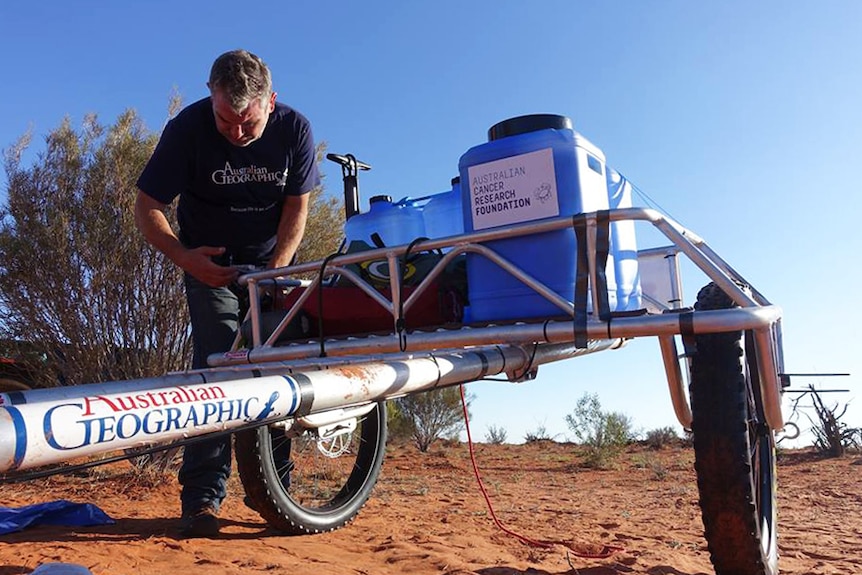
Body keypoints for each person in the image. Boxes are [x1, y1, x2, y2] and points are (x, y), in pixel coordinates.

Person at [134, 49, 320, 538]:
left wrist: (275, 273)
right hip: (209, 268)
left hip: (270, 268)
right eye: (225, 120)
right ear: (210, 97)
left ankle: (275, 494)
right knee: (217, 368)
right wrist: (186, 257)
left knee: (276, 371)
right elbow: (147, 206)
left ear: (271, 102)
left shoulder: (295, 130)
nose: (236, 133)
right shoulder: (188, 128)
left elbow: (296, 209)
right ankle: (200, 500)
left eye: (248, 123)